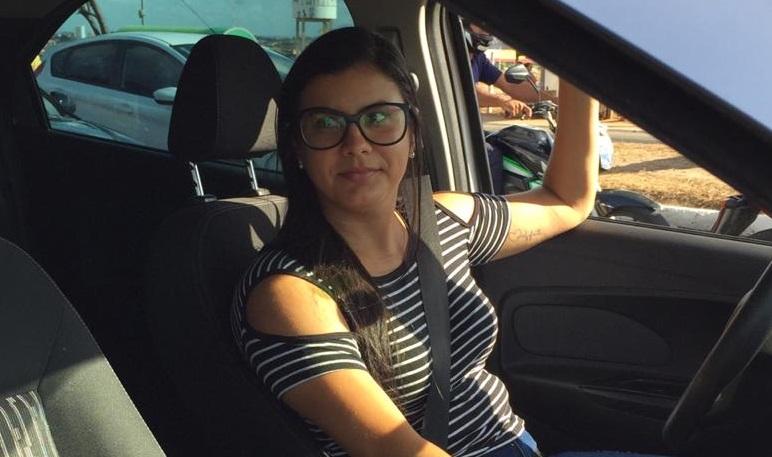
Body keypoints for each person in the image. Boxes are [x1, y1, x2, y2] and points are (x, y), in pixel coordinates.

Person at [231, 27, 663, 457]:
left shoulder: (441, 221)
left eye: (379, 117)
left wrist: (579, 72)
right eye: (325, 124)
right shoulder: (290, 296)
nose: (356, 144)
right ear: (298, 147)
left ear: (412, 134)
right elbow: (392, 450)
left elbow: (567, 201)